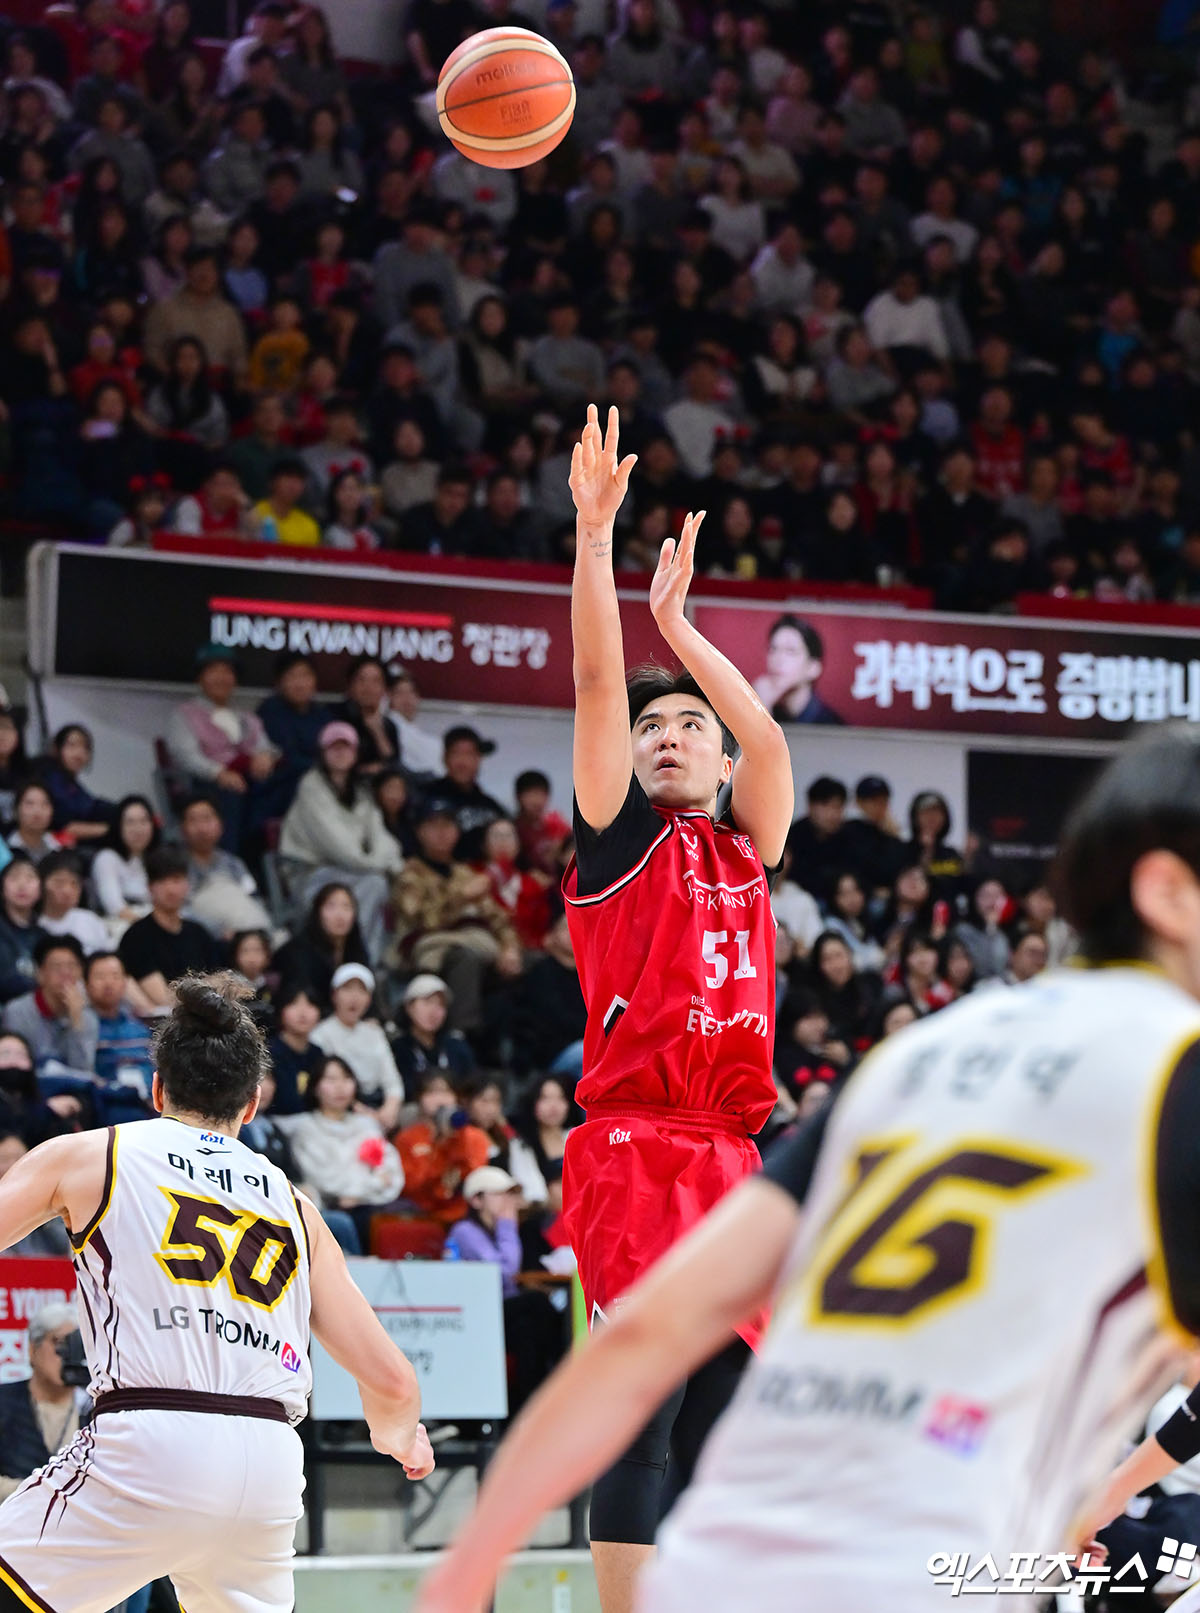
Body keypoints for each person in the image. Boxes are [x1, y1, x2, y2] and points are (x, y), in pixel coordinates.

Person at [418, 720, 1200, 1613]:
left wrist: (464, 1569)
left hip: (735, 1564)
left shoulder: (915, 1059)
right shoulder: (1172, 1067)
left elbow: (639, 1341)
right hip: (927, 1565)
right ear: (1167, 891)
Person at [531, 406, 795, 1613]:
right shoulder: (620, 842)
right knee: (646, 1406)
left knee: (731, 1413)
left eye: (691, 725)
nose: (671, 735)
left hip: (734, 1156)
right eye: (654, 729)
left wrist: (682, 630)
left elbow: (767, 737)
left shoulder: (747, 845)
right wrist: (597, 539)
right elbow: (598, 678)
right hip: (637, 1149)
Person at [0, 974, 433, 1613]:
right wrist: (401, 1439)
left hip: (150, 1438)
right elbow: (393, 1383)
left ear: (157, 1090)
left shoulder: (93, 1154)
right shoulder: (297, 1207)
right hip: (269, 1465)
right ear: (251, 1104)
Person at [445, 1165, 565, 1414]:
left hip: (503, 1313)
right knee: (536, 1303)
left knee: (528, 1330)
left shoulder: (500, 1229)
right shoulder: (465, 1231)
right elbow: (505, 1271)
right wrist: (508, 1226)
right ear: (476, 1200)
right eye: (499, 1194)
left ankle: (529, 1407)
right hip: (477, 1314)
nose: (508, 1200)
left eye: (510, 1194)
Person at [279, 722, 402, 963]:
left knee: (377, 884)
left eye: (346, 747)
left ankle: (364, 964)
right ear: (323, 752)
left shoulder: (362, 790)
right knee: (370, 884)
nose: (340, 753)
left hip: (354, 871)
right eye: (334, 747)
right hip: (310, 873)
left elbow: (382, 837)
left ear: (355, 753)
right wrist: (379, 864)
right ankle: (343, 961)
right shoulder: (311, 786)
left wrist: (396, 865)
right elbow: (337, 845)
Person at [277, 1053, 407, 1248]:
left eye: (346, 1079)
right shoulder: (306, 1129)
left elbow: (392, 1176)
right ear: (315, 1087)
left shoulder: (367, 1125)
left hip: (373, 1208)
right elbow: (327, 1182)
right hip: (331, 1209)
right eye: (331, 1080)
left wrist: (357, 1195)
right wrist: (373, 1184)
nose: (340, 1087)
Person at [166, 644, 278, 854]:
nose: (221, 678)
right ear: (200, 678)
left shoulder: (245, 717)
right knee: (230, 793)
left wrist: (266, 756)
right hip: (206, 785)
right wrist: (219, 773)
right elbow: (186, 756)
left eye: (227, 672)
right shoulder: (185, 714)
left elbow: (266, 746)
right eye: (213, 671)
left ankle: (260, 858)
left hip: (248, 782)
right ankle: (230, 858)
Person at [0, 1302, 87, 1504]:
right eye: (60, 1342)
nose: (69, 1354)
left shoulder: (94, 1408)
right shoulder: (3, 1401)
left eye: (77, 1345)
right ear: (33, 1350)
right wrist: (35, 1493)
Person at [117, 847, 224, 1010]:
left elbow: (219, 982)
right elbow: (163, 999)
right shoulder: (136, 937)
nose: (170, 889)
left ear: (187, 884)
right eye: (162, 881)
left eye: (176, 880)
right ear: (150, 887)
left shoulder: (199, 933)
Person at [312, 963, 404, 1132]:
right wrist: (367, 1114)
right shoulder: (320, 1035)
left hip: (378, 1106)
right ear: (334, 995)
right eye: (347, 989)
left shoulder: (374, 1032)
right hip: (341, 1109)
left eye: (362, 991)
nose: (354, 997)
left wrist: (390, 1109)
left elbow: (392, 1080)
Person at [393, 1069, 490, 1226]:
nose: (440, 1099)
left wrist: (456, 1138)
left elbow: (476, 1178)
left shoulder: (474, 1136)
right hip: (422, 1216)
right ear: (419, 1098)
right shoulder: (407, 1138)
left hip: (467, 1216)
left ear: (456, 1098)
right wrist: (438, 1144)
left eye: (446, 1092)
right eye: (431, 1092)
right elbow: (409, 1187)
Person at [272, 881, 370, 1011]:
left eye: (346, 907)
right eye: (331, 907)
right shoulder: (298, 951)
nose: (339, 915)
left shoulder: (357, 949)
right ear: (318, 912)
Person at [426, 725, 509, 861]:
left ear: (479, 759)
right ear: (445, 758)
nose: (462, 762)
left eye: (469, 754)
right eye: (456, 754)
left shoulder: (491, 807)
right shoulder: (427, 798)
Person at [390, 973, 474, 1094]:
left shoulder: (456, 1046)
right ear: (409, 1007)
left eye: (441, 1005)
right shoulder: (398, 1048)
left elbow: (470, 1086)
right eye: (427, 1002)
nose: (434, 1011)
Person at [752, 615, 845, 724]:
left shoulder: (830, 725)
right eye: (773, 649)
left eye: (790, 651)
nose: (778, 659)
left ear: (813, 667)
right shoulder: (769, 708)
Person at [91, 794, 159, 927]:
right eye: (130, 822)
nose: (138, 829)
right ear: (119, 826)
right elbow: (115, 907)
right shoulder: (106, 858)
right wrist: (153, 929)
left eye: (143, 821)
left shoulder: (156, 857)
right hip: (126, 927)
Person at [265, 981, 326, 1115]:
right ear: (281, 1010)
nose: (302, 1012)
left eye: (310, 1004)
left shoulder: (318, 1054)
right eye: (294, 1003)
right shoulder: (268, 1051)